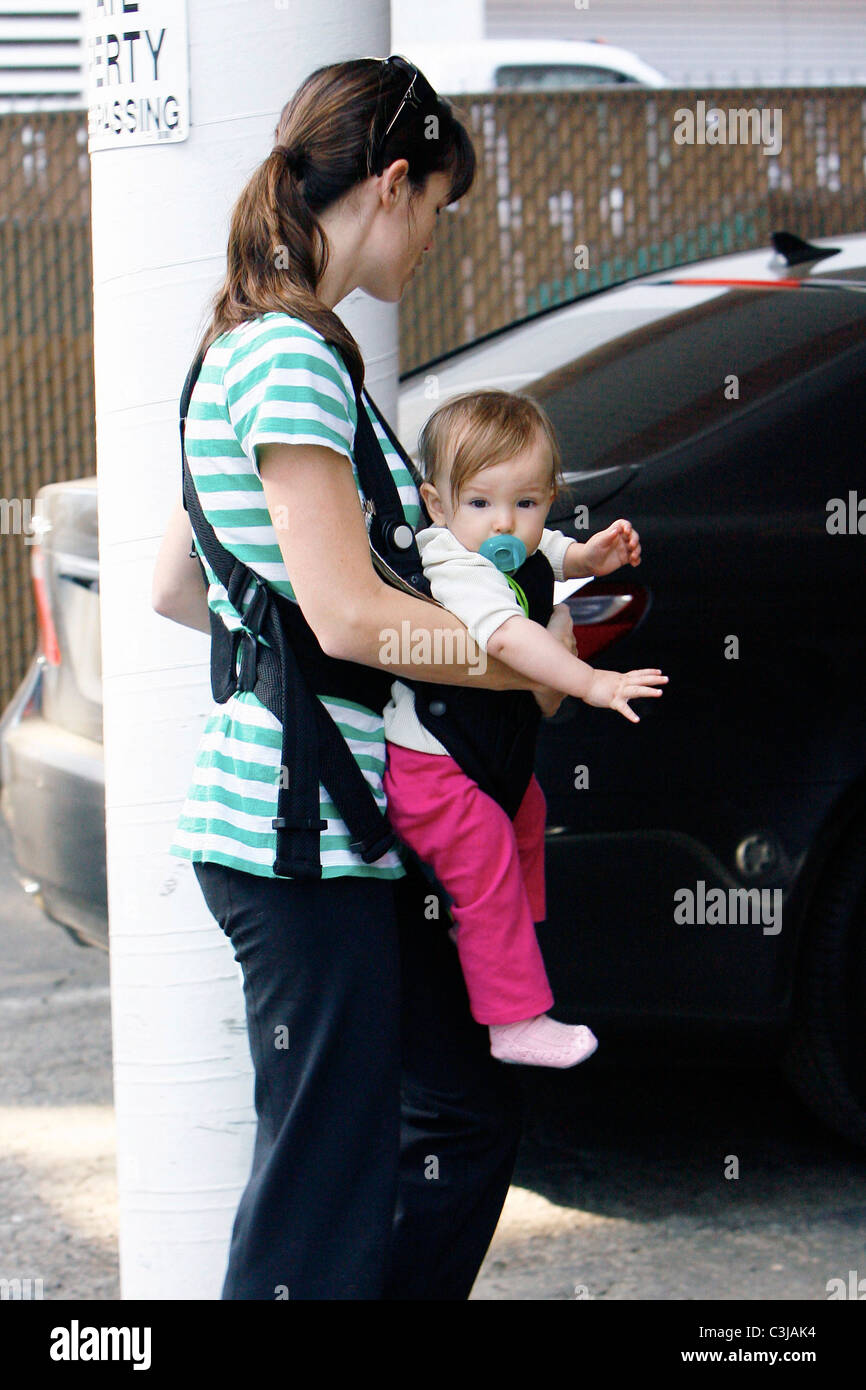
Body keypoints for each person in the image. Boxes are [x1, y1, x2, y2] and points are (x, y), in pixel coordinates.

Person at [151, 55, 582, 1301]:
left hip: (330, 828)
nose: (436, 237)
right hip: (301, 838)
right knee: (321, 1198)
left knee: (440, 1125)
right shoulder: (289, 355)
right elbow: (345, 611)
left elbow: (185, 585)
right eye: (439, 204)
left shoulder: (253, 344)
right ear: (392, 183)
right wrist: (518, 665)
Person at [382, 388, 668, 1069]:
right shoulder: (454, 563)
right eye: (481, 503)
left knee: (527, 817)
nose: (505, 524)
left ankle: (498, 941)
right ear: (437, 504)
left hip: (480, 761)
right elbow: (509, 638)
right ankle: (513, 1020)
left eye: (527, 503)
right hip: (433, 766)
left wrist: (590, 560)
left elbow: (549, 556)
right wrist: (591, 682)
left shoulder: (508, 546)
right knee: (486, 859)